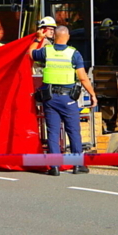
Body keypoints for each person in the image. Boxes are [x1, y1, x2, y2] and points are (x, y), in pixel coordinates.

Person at [32, 25, 97, 176]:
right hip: (67, 98)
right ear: (68, 37)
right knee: (73, 131)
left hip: (50, 98)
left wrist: (38, 38)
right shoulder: (74, 53)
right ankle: (77, 165)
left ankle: (54, 167)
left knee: (53, 132)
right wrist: (92, 94)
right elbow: (82, 77)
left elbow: (30, 53)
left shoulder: (46, 51)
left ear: (54, 36)